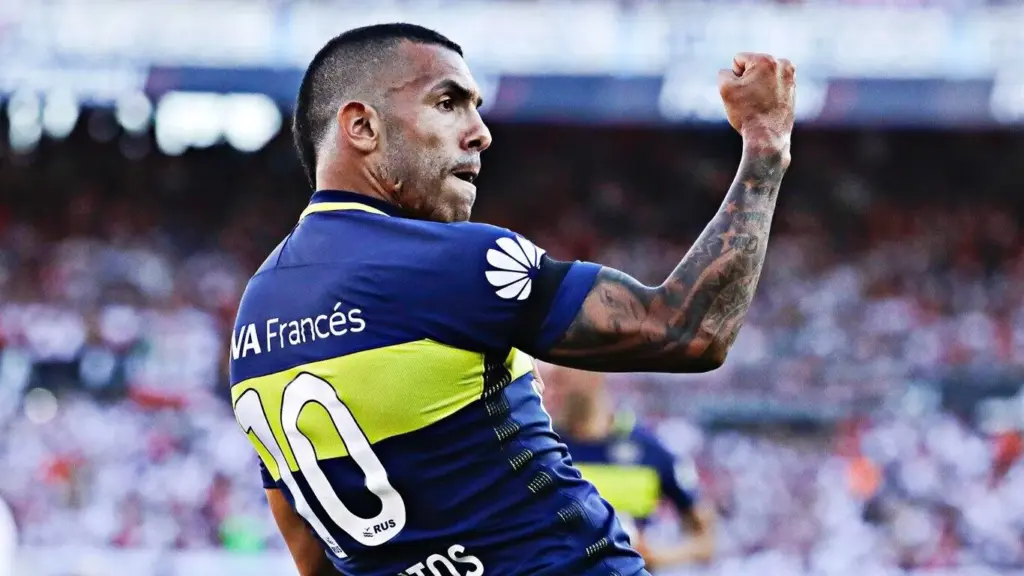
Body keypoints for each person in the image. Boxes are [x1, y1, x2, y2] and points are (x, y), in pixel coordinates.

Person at [228, 22, 795, 576]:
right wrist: (765, 144)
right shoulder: (454, 261)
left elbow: (313, 557)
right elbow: (688, 330)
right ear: (361, 126)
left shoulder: (254, 318)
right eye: (447, 103)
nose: (481, 133)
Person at [539, 364, 716, 572]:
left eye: (562, 379)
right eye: (553, 382)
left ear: (595, 371)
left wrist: (658, 556)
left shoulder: (650, 450)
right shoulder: (543, 450)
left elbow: (706, 540)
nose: (552, 389)